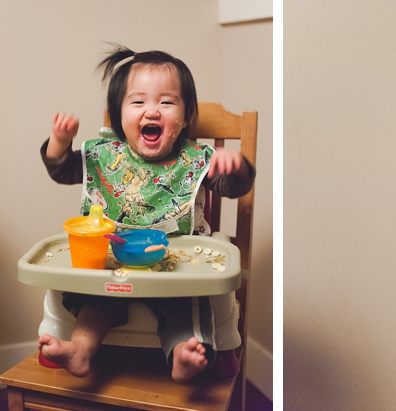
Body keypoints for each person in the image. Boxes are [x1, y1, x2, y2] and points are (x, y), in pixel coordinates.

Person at [38, 45, 255, 382]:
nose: (152, 110)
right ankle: (80, 349)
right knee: (94, 299)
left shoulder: (195, 159)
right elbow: (62, 170)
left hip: (177, 263)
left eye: (167, 102)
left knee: (189, 302)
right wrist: (59, 142)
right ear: (118, 114)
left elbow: (233, 188)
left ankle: (184, 353)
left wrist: (236, 168)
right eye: (138, 102)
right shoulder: (106, 155)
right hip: (115, 258)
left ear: (184, 117)